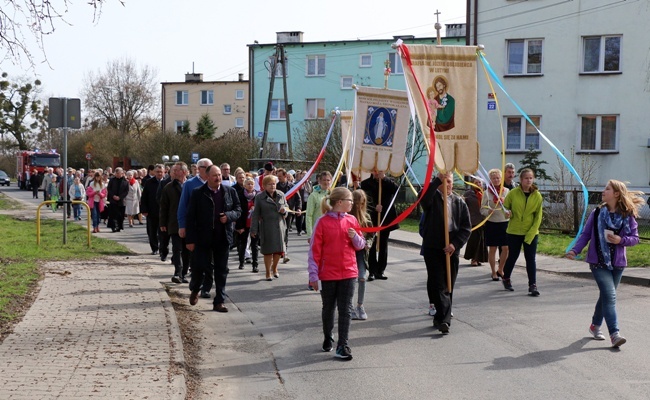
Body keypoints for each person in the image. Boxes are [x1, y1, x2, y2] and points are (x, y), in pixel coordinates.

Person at [566, 180, 644, 348]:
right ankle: (614, 334)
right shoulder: (597, 213)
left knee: (605, 296)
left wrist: (620, 240)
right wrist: (575, 250)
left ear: (616, 194)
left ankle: (594, 326)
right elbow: (586, 234)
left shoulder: (627, 215)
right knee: (610, 296)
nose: (603, 191)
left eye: (607, 189)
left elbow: (635, 239)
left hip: (618, 264)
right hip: (598, 262)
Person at [308, 187, 366, 360]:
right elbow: (314, 250)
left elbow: (361, 244)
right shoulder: (322, 222)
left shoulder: (352, 220)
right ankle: (328, 335)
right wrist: (313, 275)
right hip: (328, 273)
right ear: (339, 202)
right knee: (328, 308)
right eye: (350, 200)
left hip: (349, 271)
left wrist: (355, 236)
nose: (352, 203)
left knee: (346, 309)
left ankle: (343, 345)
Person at [419, 171, 471, 335]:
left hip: (451, 249)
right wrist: (436, 181)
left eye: (450, 182)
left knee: (449, 283)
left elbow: (466, 227)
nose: (448, 185)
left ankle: (440, 317)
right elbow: (423, 199)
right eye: (445, 182)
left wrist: (455, 244)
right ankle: (444, 320)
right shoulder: (432, 198)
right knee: (438, 283)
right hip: (433, 247)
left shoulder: (459, 202)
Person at [185, 165, 241, 312]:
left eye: (219, 175)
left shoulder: (229, 191)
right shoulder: (198, 193)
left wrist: (228, 216)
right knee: (200, 267)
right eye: (215, 175)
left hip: (222, 237)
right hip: (203, 238)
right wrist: (190, 240)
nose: (218, 178)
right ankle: (195, 289)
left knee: (222, 270)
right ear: (207, 177)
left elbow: (238, 210)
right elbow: (190, 217)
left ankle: (219, 301)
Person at [501, 168, 543, 295]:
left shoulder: (537, 195)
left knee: (530, 259)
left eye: (531, 178)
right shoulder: (513, 193)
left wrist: (531, 233)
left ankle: (533, 285)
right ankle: (506, 277)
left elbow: (538, 217)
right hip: (514, 231)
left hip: (530, 231)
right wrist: (507, 213)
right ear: (521, 180)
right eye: (526, 178)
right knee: (513, 256)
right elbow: (505, 208)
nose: (529, 180)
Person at [178, 158, 213, 298]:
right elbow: (183, 206)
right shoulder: (190, 184)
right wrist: (182, 225)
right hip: (195, 228)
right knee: (197, 260)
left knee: (210, 261)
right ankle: (195, 284)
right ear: (199, 169)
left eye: (211, 166)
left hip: (212, 229)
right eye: (206, 167)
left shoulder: (215, 183)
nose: (210, 169)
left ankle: (206, 288)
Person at [360, 170, 399, 281]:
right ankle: (372, 270)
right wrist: (374, 207)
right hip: (372, 219)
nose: (377, 173)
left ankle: (380, 270)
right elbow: (364, 201)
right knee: (371, 245)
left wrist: (385, 179)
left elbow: (396, 191)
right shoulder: (366, 183)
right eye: (375, 171)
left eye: (379, 171)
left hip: (385, 219)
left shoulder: (389, 182)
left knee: (383, 245)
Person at [250, 175, 289, 281]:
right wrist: (253, 229)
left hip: (280, 226)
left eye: (274, 183)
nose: (272, 186)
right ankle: (268, 272)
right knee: (268, 251)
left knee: (278, 250)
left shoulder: (281, 195)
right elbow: (256, 214)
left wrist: (284, 211)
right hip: (267, 227)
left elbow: (286, 210)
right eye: (270, 184)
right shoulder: (259, 197)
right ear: (264, 186)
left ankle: (275, 268)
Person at [160, 162, 190, 284]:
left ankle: (184, 273)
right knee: (177, 249)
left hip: (190, 223)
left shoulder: (191, 185)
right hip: (174, 223)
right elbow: (163, 207)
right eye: (173, 170)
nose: (173, 172)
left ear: (183, 171)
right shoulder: (168, 187)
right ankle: (177, 272)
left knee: (187, 249)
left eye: (176, 170)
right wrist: (162, 223)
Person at [480, 169, 510, 280]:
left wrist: (509, 212)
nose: (496, 180)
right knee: (492, 248)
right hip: (492, 223)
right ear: (490, 180)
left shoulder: (507, 191)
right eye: (494, 178)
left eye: (498, 178)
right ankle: (493, 272)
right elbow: (482, 209)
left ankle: (500, 269)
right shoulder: (486, 193)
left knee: (506, 248)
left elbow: (511, 206)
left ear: (501, 179)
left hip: (504, 223)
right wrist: (488, 211)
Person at [349, 189, 373, 321]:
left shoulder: (367, 217)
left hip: (361, 252)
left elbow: (371, 233)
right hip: (349, 252)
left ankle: (360, 305)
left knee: (362, 277)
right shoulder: (347, 215)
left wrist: (368, 242)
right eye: (356, 203)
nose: (358, 206)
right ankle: (350, 306)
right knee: (350, 279)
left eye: (361, 203)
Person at [276, 168, 301, 263]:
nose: (279, 178)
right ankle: (278, 249)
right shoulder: (276, 186)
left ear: (285, 176)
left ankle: (284, 251)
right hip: (277, 212)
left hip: (289, 212)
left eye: (280, 176)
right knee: (278, 231)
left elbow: (298, 199)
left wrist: (298, 208)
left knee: (285, 231)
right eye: (277, 177)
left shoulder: (292, 187)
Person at [463, 177, 488, 268]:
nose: (478, 184)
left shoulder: (486, 193)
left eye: (480, 182)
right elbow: (463, 206)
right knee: (474, 240)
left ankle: (479, 258)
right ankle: (474, 259)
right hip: (473, 220)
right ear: (473, 184)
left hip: (484, 220)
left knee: (482, 240)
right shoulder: (469, 194)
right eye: (476, 182)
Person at [236, 176, 260, 273]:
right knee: (243, 243)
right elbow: (237, 211)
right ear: (244, 185)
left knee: (254, 245)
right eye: (248, 184)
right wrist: (238, 226)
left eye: (252, 184)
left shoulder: (258, 196)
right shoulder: (239, 195)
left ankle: (255, 264)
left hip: (254, 223)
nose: (250, 186)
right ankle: (241, 262)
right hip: (243, 223)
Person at [141, 164, 165, 255]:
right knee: (152, 231)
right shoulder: (149, 182)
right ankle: (155, 248)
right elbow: (144, 197)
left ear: (164, 172)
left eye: (161, 172)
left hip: (163, 212)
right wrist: (144, 209)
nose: (159, 173)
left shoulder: (167, 182)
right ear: (154, 172)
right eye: (157, 172)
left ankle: (163, 248)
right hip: (152, 211)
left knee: (163, 232)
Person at [306, 171, 332, 238]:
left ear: (331, 181)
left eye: (328, 180)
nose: (326, 182)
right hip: (318, 229)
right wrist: (310, 234)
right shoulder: (313, 196)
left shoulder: (333, 195)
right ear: (319, 181)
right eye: (324, 180)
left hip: (331, 230)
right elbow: (309, 215)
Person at [107, 167, 129, 232]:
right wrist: (113, 196)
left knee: (120, 215)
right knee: (113, 214)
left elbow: (126, 191)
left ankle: (119, 226)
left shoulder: (125, 181)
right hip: (113, 200)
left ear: (122, 173)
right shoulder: (112, 180)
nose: (117, 174)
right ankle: (114, 227)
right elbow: (109, 189)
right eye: (116, 173)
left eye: (119, 173)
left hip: (121, 201)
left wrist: (120, 197)